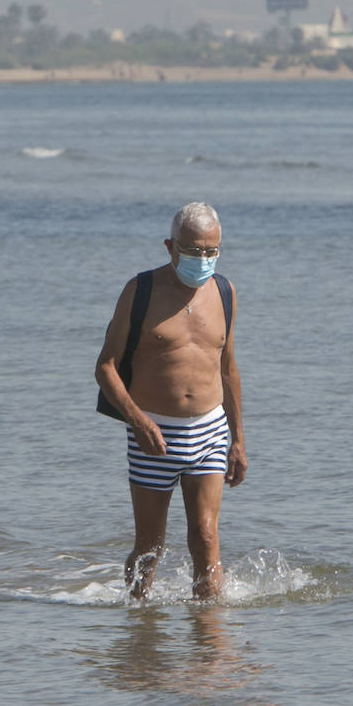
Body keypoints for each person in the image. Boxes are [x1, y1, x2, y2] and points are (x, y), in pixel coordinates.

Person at [96, 202, 246, 600]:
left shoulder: (225, 292)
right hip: (154, 434)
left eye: (212, 251)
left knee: (205, 535)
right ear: (170, 246)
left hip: (211, 430)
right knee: (149, 546)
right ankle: (139, 627)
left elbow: (228, 369)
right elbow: (106, 367)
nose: (203, 259)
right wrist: (138, 422)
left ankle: (209, 637)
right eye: (194, 250)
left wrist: (239, 440)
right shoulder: (140, 290)